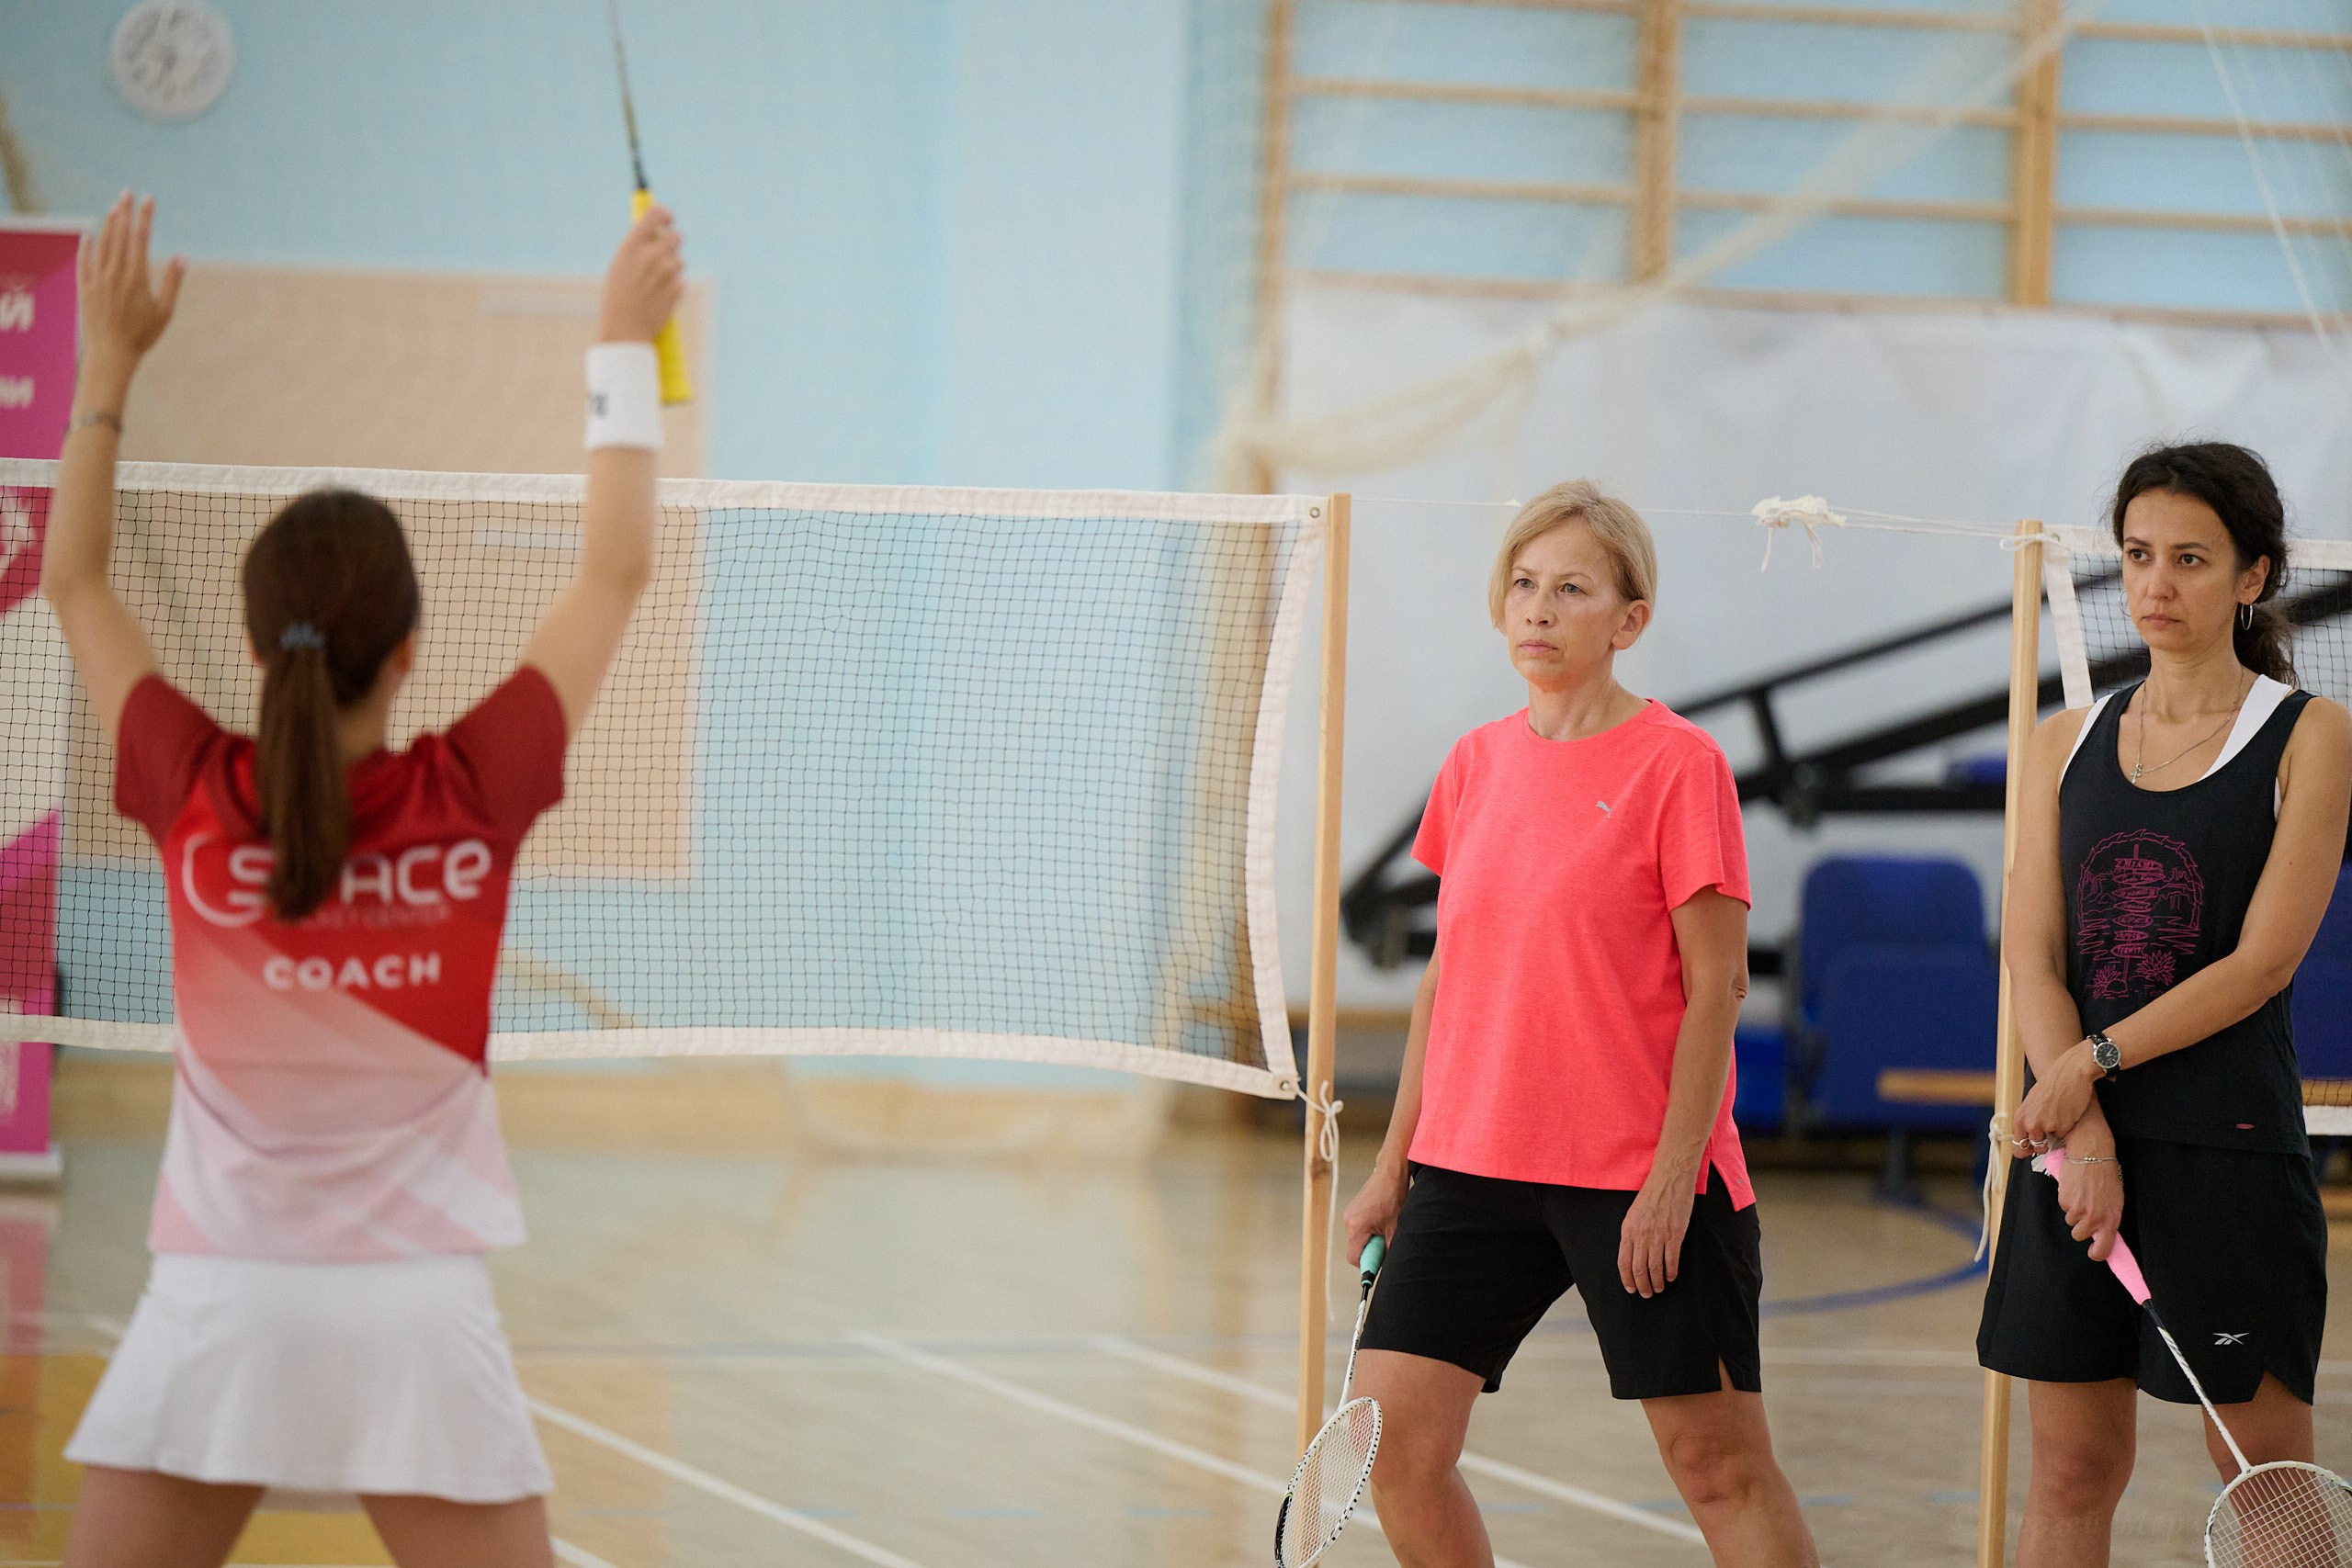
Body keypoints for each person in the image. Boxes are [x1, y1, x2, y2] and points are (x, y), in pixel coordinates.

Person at [49, 193, 684, 1568]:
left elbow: (76, 578)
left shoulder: (193, 786)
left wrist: (107, 363)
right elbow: (619, 568)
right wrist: (620, 342)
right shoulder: (475, 785)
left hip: (218, 1304)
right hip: (418, 1320)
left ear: (253, 635)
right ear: (407, 650)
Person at [1341, 482, 1818, 1568]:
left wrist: (1669, 1178)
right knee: (1397, 1449)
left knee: (1717, 1470)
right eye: (1522, 585)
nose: (1539, 610)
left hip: (1637, 1173)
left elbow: (1717, 991)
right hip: (1469, 1164)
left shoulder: (1679, 767)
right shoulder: (1472, 765)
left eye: (1570, 589)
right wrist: (1391, 1165)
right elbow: (1446, 981)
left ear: (1627, 619)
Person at [1980, 442, 2352, 1566]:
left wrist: (2083, 1068)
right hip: (2072, 1153)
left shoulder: (2313, 737)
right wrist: (2078, 1124)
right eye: (2138, 556)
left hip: (2225, 1150)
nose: (2155, 586)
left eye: (2189, 559)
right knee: (2069, 1472)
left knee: (2264, 1475)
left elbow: (2261, 964)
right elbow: (2033, 952)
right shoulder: (2060, 741)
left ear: (2253, 577)